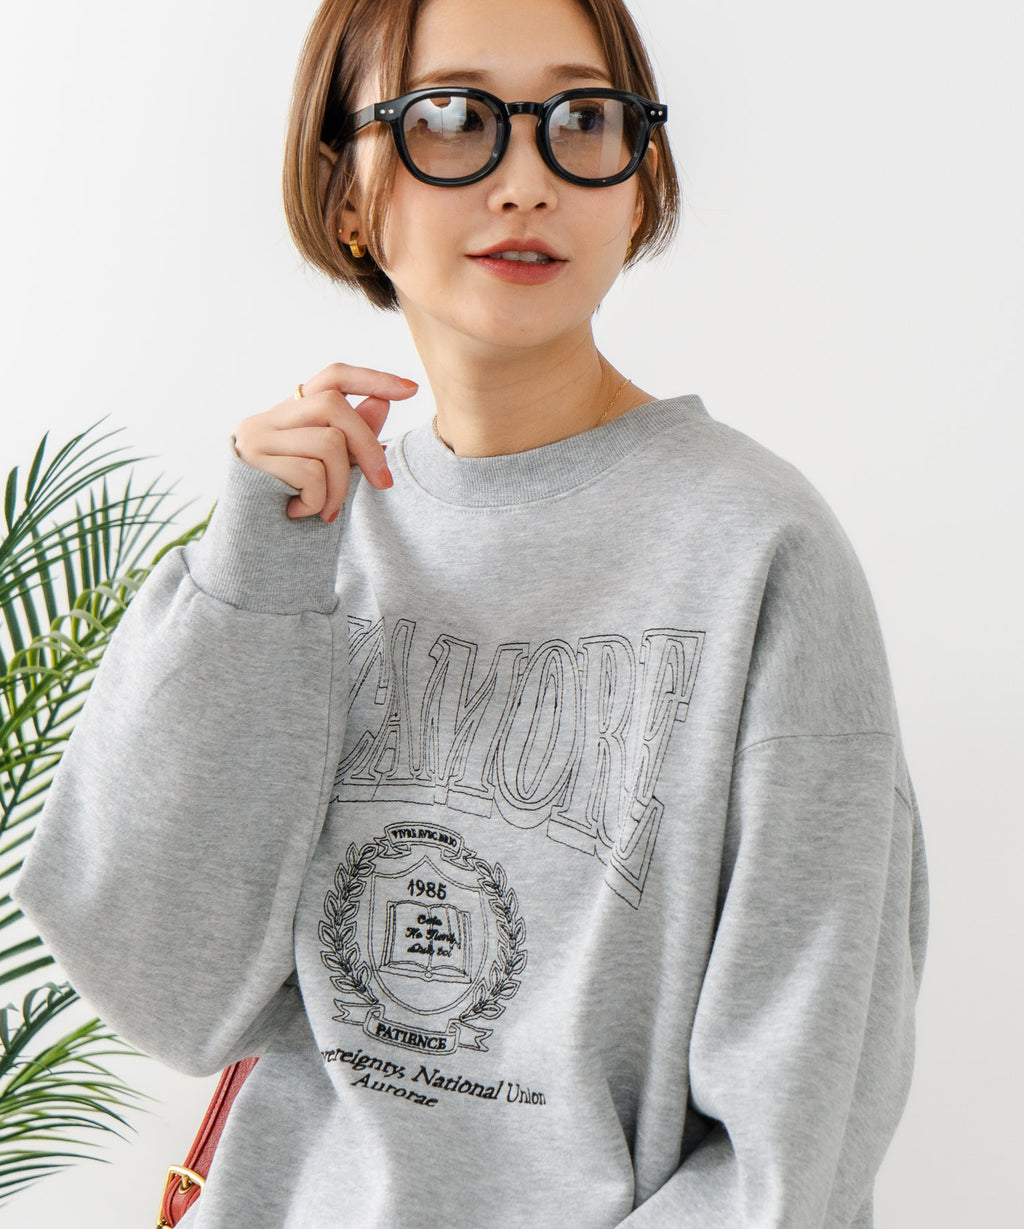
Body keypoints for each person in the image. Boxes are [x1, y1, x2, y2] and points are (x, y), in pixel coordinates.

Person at [13, 0, 928, 1224]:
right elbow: (172, 993)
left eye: (581, 118)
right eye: (450, 117)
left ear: (638, 181)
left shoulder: (760, 548)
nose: (527, 178)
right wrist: (249, 586)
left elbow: (796, 1129)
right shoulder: (299, 539)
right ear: (346, 194)